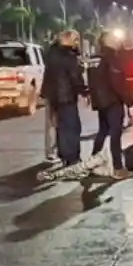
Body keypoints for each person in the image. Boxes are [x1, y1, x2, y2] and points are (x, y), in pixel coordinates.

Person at [88, 31, 133, 180]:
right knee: (115, 134)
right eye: (114, 38)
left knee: (103, 131)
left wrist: (95, 100)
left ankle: (92, 163)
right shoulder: (112, 58)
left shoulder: (94, 58)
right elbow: (117, 83)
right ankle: (118, 168)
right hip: (113, 101)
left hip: (101, 102)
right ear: (107, 41)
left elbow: (91, 81)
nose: (117, 40)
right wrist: (128, 99)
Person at [40, 30, 88, 167]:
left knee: (60, 127)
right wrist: (85, 92)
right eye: (75, 39)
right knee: (72, 127)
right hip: (66, 96)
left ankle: (64, 155)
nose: (77, 42)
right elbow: (75, 78)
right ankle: (72, 158)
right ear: (67, 40)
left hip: (53, 97)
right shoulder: (69, 56)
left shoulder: (52, 54)